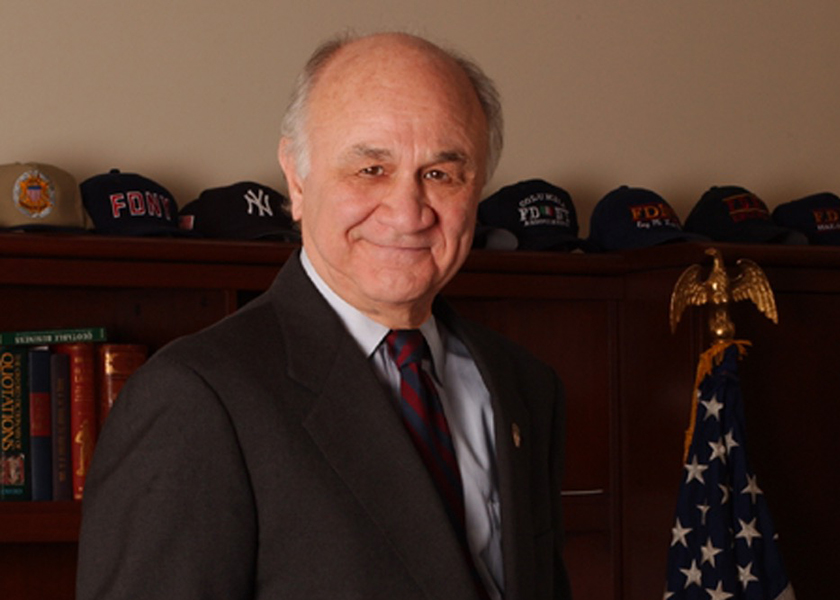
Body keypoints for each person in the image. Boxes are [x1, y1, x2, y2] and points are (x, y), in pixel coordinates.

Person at [76, 31, 572, 600]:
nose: (408, 213)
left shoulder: (523, 387)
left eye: (440, 174)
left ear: (478, 184)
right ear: (296, 178)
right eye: (371, 170)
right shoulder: (196, 400)